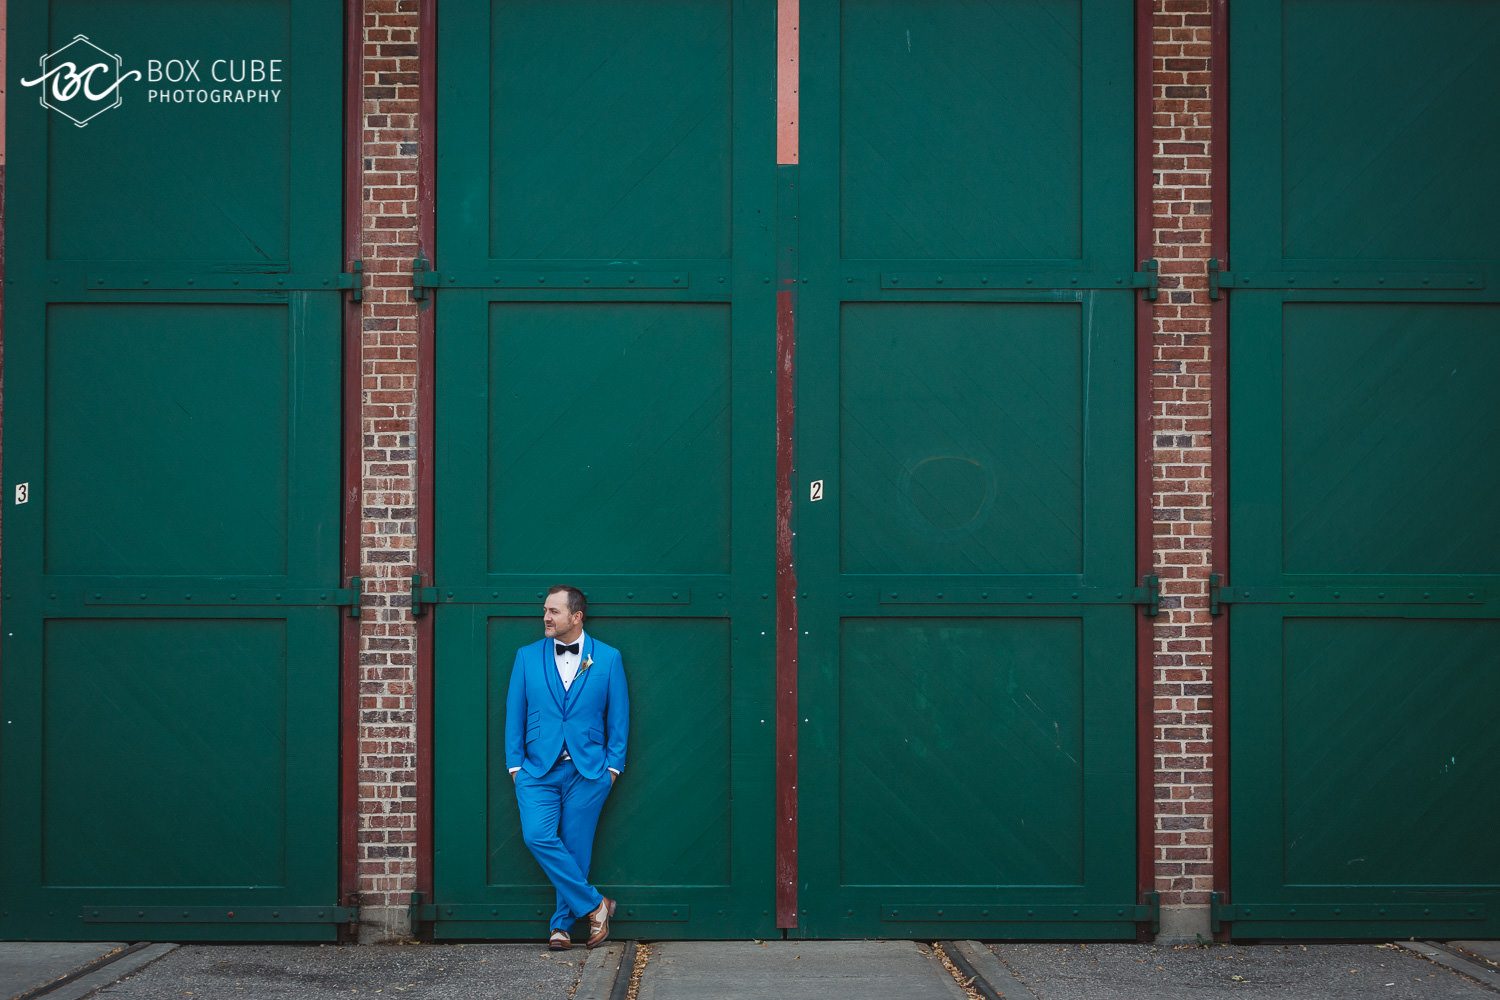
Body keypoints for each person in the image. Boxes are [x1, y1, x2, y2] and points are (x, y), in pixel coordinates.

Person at [505, 585, 629, 950]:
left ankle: (561, 926)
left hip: (589, 771)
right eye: (545, 610)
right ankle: (596, 905)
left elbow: (619, 718)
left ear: (576, 617)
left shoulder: (608, 658)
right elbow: (514, 714)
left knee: (576, 849)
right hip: (536, 770)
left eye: (554, 611)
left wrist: (612, 768)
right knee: (537, 836)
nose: (545, 617)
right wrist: (516, 767)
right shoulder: (526, 656)